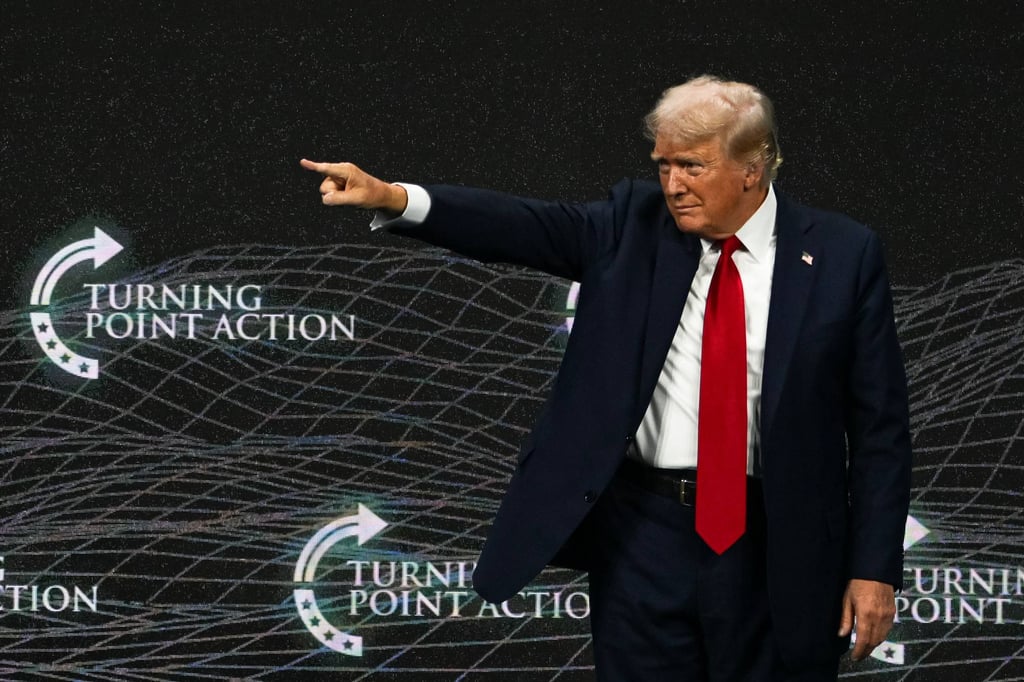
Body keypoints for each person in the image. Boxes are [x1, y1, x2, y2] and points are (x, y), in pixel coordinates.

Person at [301, 75, 912, 681]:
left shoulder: (842, 254)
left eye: (692, 167)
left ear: (752, 167)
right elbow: (518, 225)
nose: (672, 186)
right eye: (663, 165)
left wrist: (875, 567)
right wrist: (395, 198)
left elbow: (880, 427)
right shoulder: (631, 225)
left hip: (783, 543)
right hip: (646, 537)